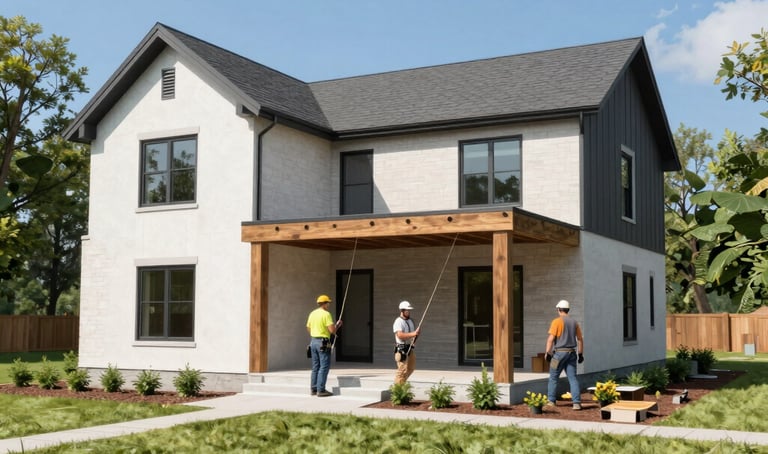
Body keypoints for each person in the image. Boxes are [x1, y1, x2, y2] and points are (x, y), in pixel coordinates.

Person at [544, 299, 584, 410]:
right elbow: (580, 339)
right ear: (568, 310)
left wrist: (548, 353)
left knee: (553, 377)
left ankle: (551, 401)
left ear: (559, 309)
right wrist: (580, 354)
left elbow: (550, 339)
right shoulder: (574, 322)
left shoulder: (556, 322)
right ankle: (576, 403)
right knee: (572, 378)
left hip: (558, 355)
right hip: (572, 354)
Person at [306, 294, 342, 397]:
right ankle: (321, 390)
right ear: (325, 304)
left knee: (315, 367)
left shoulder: (312, 313)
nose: (329, 305)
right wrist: (337, 325)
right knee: (324, 366)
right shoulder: (326, 314)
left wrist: (315, 334)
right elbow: (332, 330)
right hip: (323, 342)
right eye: (328, 303)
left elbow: (308, 328)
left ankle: (313, 389)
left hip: (313, 341)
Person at [393, 300, 421, 384]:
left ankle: (401, 383)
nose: (408, 312)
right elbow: (400, 335)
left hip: (409, 348)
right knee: (402, 370)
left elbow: (413, 335)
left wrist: (416, 335)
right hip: (401, 349)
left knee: (411, 368)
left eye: (409, 310)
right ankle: (397, 388)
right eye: (407, 310)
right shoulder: (398, 321)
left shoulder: (410, 321)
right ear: (402, 310)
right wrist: (413, 333)